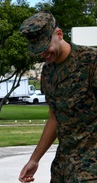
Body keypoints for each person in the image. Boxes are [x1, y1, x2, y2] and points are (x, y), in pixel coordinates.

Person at [18, 10, 97, 182]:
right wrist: (34, 159)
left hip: (91, 167)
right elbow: (54, 118)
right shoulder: (48, 72)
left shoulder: (91, 62)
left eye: (45, 47)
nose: (42, 54)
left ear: (59, 34)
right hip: (63, 165)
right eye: (37, 51)